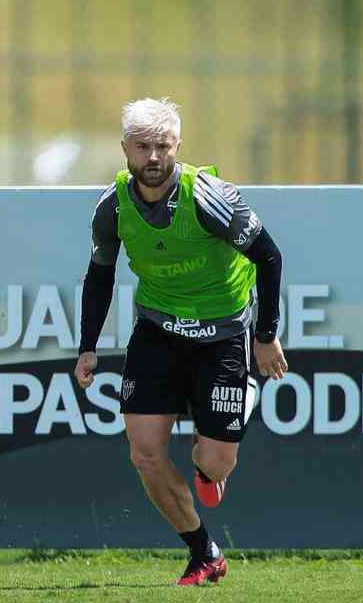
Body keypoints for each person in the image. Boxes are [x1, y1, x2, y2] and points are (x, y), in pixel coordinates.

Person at [74, 97, 287, 586]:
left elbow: (269, 257)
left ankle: (232, 419)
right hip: (157, 333)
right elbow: (99, 273)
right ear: (125, 148)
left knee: (212, 463)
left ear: (177, 147)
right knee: (144, 453)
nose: (152, 158)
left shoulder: (208, 196)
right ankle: (204, 552)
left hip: (224, 336)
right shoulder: (113, 206)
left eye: (162, 147)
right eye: (143, 147)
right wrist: (88, 345)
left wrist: (265, 337)